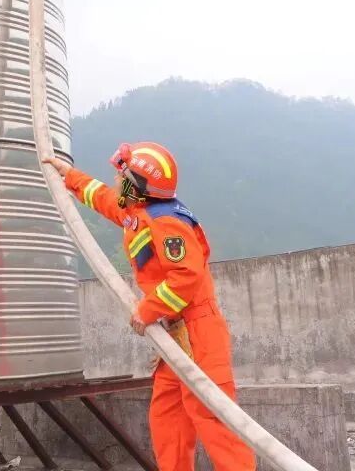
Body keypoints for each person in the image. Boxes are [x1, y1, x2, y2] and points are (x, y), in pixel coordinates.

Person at [43, 143, 256, 471]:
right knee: (168, 418)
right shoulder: (137, 212)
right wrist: (70, 176)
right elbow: (106, 199)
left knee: (214, 417)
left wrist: (148, 310)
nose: (117, 181)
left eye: (123, 177)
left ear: (137, 187)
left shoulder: (167, 223)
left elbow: (186, 276)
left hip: (199, 333)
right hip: (176, 336)